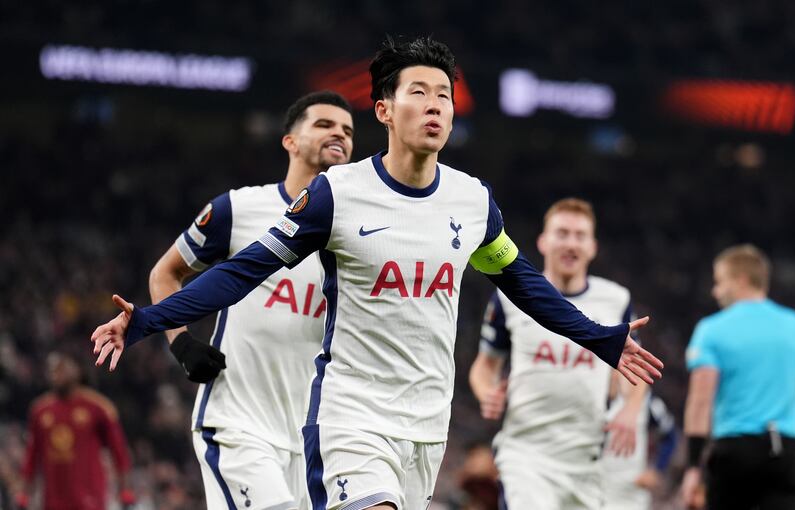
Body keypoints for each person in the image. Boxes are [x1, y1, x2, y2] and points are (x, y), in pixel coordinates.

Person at [91, 36, 663, 510]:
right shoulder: (335, 195)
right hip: (349, 417)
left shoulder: (471, 202)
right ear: (385, 110)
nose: (436, 104)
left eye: (445, 94)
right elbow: (242, 272)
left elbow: (522, 282)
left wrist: (600, 338)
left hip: (426, 426)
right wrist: (147, 322)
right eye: (420, 92)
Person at [148, 90, 354, 510]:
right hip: (239, 424)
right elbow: (165, 274)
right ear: (290, 142)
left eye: (348, 131)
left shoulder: (354, 233)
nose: (339, 134)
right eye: (324, 124)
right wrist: (181, 343)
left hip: (313, 437)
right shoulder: (238, 209)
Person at [469, 198, 649, 509]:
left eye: (580, 235)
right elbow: (484, 366)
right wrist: (486, 392)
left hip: (587, 462)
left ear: (593, 246)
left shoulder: (616, 300)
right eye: (562, 233)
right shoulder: (509, 297)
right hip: (527, 457)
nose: (571, 243)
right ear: (543, 241)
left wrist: (630, 411)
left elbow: (635, 365)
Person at [681, 244, 795, 510]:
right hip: (788, 453)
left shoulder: (712, 329)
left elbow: (700, 403)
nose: (715, 291)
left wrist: (692, 467)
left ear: (741, 280)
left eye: (719, 282)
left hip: (735, 453)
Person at [16, 351, 135, 510]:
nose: (56, 374)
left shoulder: (98, 408)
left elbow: (119, 451)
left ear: (77, 370)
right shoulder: (40, 411)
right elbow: (31, 456)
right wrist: (24, 493)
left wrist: (125, 489)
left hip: (90, 497)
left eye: (61, 368)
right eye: (53, 370)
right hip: (52, 499)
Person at [601, 390, 678, 510]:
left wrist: (657, 469)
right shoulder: (599, 396)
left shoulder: (649, 402)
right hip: (599, 484)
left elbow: (670, 435)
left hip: (633, 488)